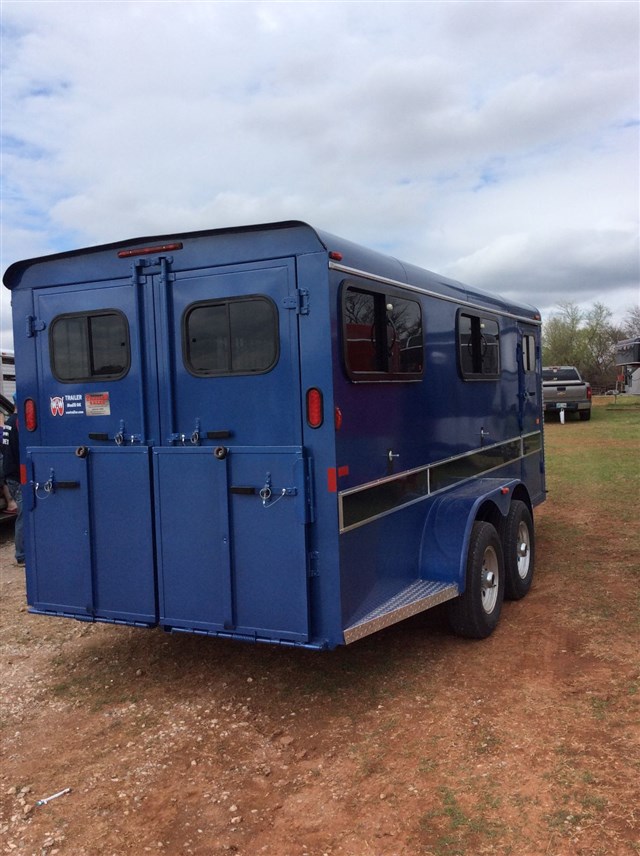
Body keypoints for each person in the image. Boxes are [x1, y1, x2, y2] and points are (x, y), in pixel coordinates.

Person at [1, 396, 24, 565]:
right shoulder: (18, 423)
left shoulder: (9, 422)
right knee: (24, 515)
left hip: (9, 474)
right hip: (17, 475)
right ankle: (21, 554)